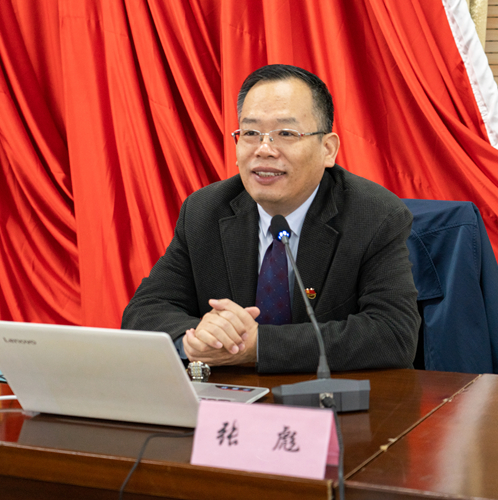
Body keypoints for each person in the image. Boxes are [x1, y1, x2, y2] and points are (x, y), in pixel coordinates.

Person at [121, 64, 420, 374]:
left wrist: (259, 346)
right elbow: (144, 311)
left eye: (286, 134)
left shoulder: (374, 216)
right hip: (231, 397)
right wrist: (195, 339)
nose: (264, 150)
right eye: (251, 133)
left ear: (328, 149)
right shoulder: (205, 211)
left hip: (330, 397)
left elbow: (393, 334)